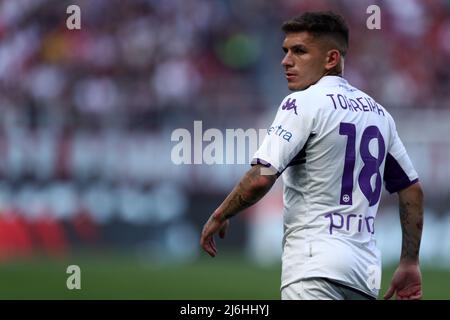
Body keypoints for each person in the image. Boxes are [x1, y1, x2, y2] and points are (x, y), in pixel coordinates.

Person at [200, 11, 424, 300]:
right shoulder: (380, 115)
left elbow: (261, 178)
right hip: (364, 277)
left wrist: (221, 214)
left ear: (331, 59)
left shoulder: (303, 103)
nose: (286, 60)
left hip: (313, 268)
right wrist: (409, 262)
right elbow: (412, 191)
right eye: (285, 51)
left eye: (299, 51)